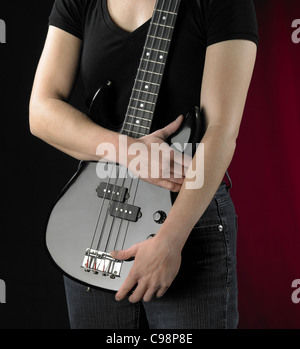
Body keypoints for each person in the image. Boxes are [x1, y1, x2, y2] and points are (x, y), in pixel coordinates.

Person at [29, 0, 258, 329]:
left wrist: (170, 240)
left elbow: (222, 131)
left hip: (187, 216)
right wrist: (132, 152)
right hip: (96, 214)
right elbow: (41, 111)